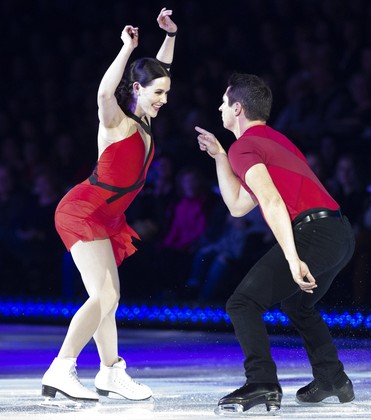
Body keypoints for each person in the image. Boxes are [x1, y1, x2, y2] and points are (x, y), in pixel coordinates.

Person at [195, 73, 355, 413]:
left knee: (242, 304)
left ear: (237, 108)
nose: (219, 107)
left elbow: (272, 202)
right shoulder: (273, 141)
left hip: (313, 233)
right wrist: (221, 157)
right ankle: (333, 379)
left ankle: (262, 382)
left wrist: (293, 257)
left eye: (224, 102)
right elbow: (239, 206)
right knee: (297, 305)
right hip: (340, 232)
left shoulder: (247, 146)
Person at [41, 8, 177, 403]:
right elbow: (104, 93)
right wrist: (127, 47)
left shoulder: (146, 119)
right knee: (101, 296)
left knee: (110, 297)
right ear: (136, 89)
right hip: (82, 209)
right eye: (158, 93)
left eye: (166, 93)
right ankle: (62, 368)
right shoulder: (116, 121)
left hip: (107, 215)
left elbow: (157, 69)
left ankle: (110, 372)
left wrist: (170, 36)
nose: (164, 100)